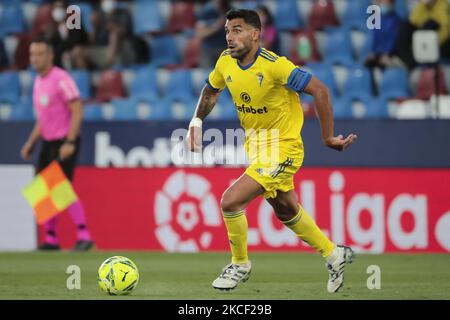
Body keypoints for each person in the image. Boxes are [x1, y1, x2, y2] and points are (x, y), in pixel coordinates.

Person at [186, 9, 357, 293]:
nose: (230, 36)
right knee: (285, 209)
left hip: (284, 149)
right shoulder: (225, 62)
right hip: (257, 149)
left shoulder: (276, 66)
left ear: (256, 34)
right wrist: (195, 121)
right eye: (228, 30)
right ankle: (333, 253)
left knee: (230, 201)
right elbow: (210, 90)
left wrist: (327, 138)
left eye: (237, 29)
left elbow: (321, 91)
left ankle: (239, 264)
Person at [20, 37, 94, 251]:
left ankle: (84, 234)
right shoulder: (38, 82)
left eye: (40, 54)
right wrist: (31, 142)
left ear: (50, 56)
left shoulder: (61, 79)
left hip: (64, 140)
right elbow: (43, 118)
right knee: (42, 190)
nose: (35, 59)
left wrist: (70, 141)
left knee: (61, 187)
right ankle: (51, 238)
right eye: (32, 55)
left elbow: (77, 109)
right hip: (47, 141)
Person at [195, 0, 231, 68]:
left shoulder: (229, 8)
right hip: (209, 50)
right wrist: (217, 26)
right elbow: (200, 34)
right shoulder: (206, 10)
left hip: (225, 48)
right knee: (207, 75)